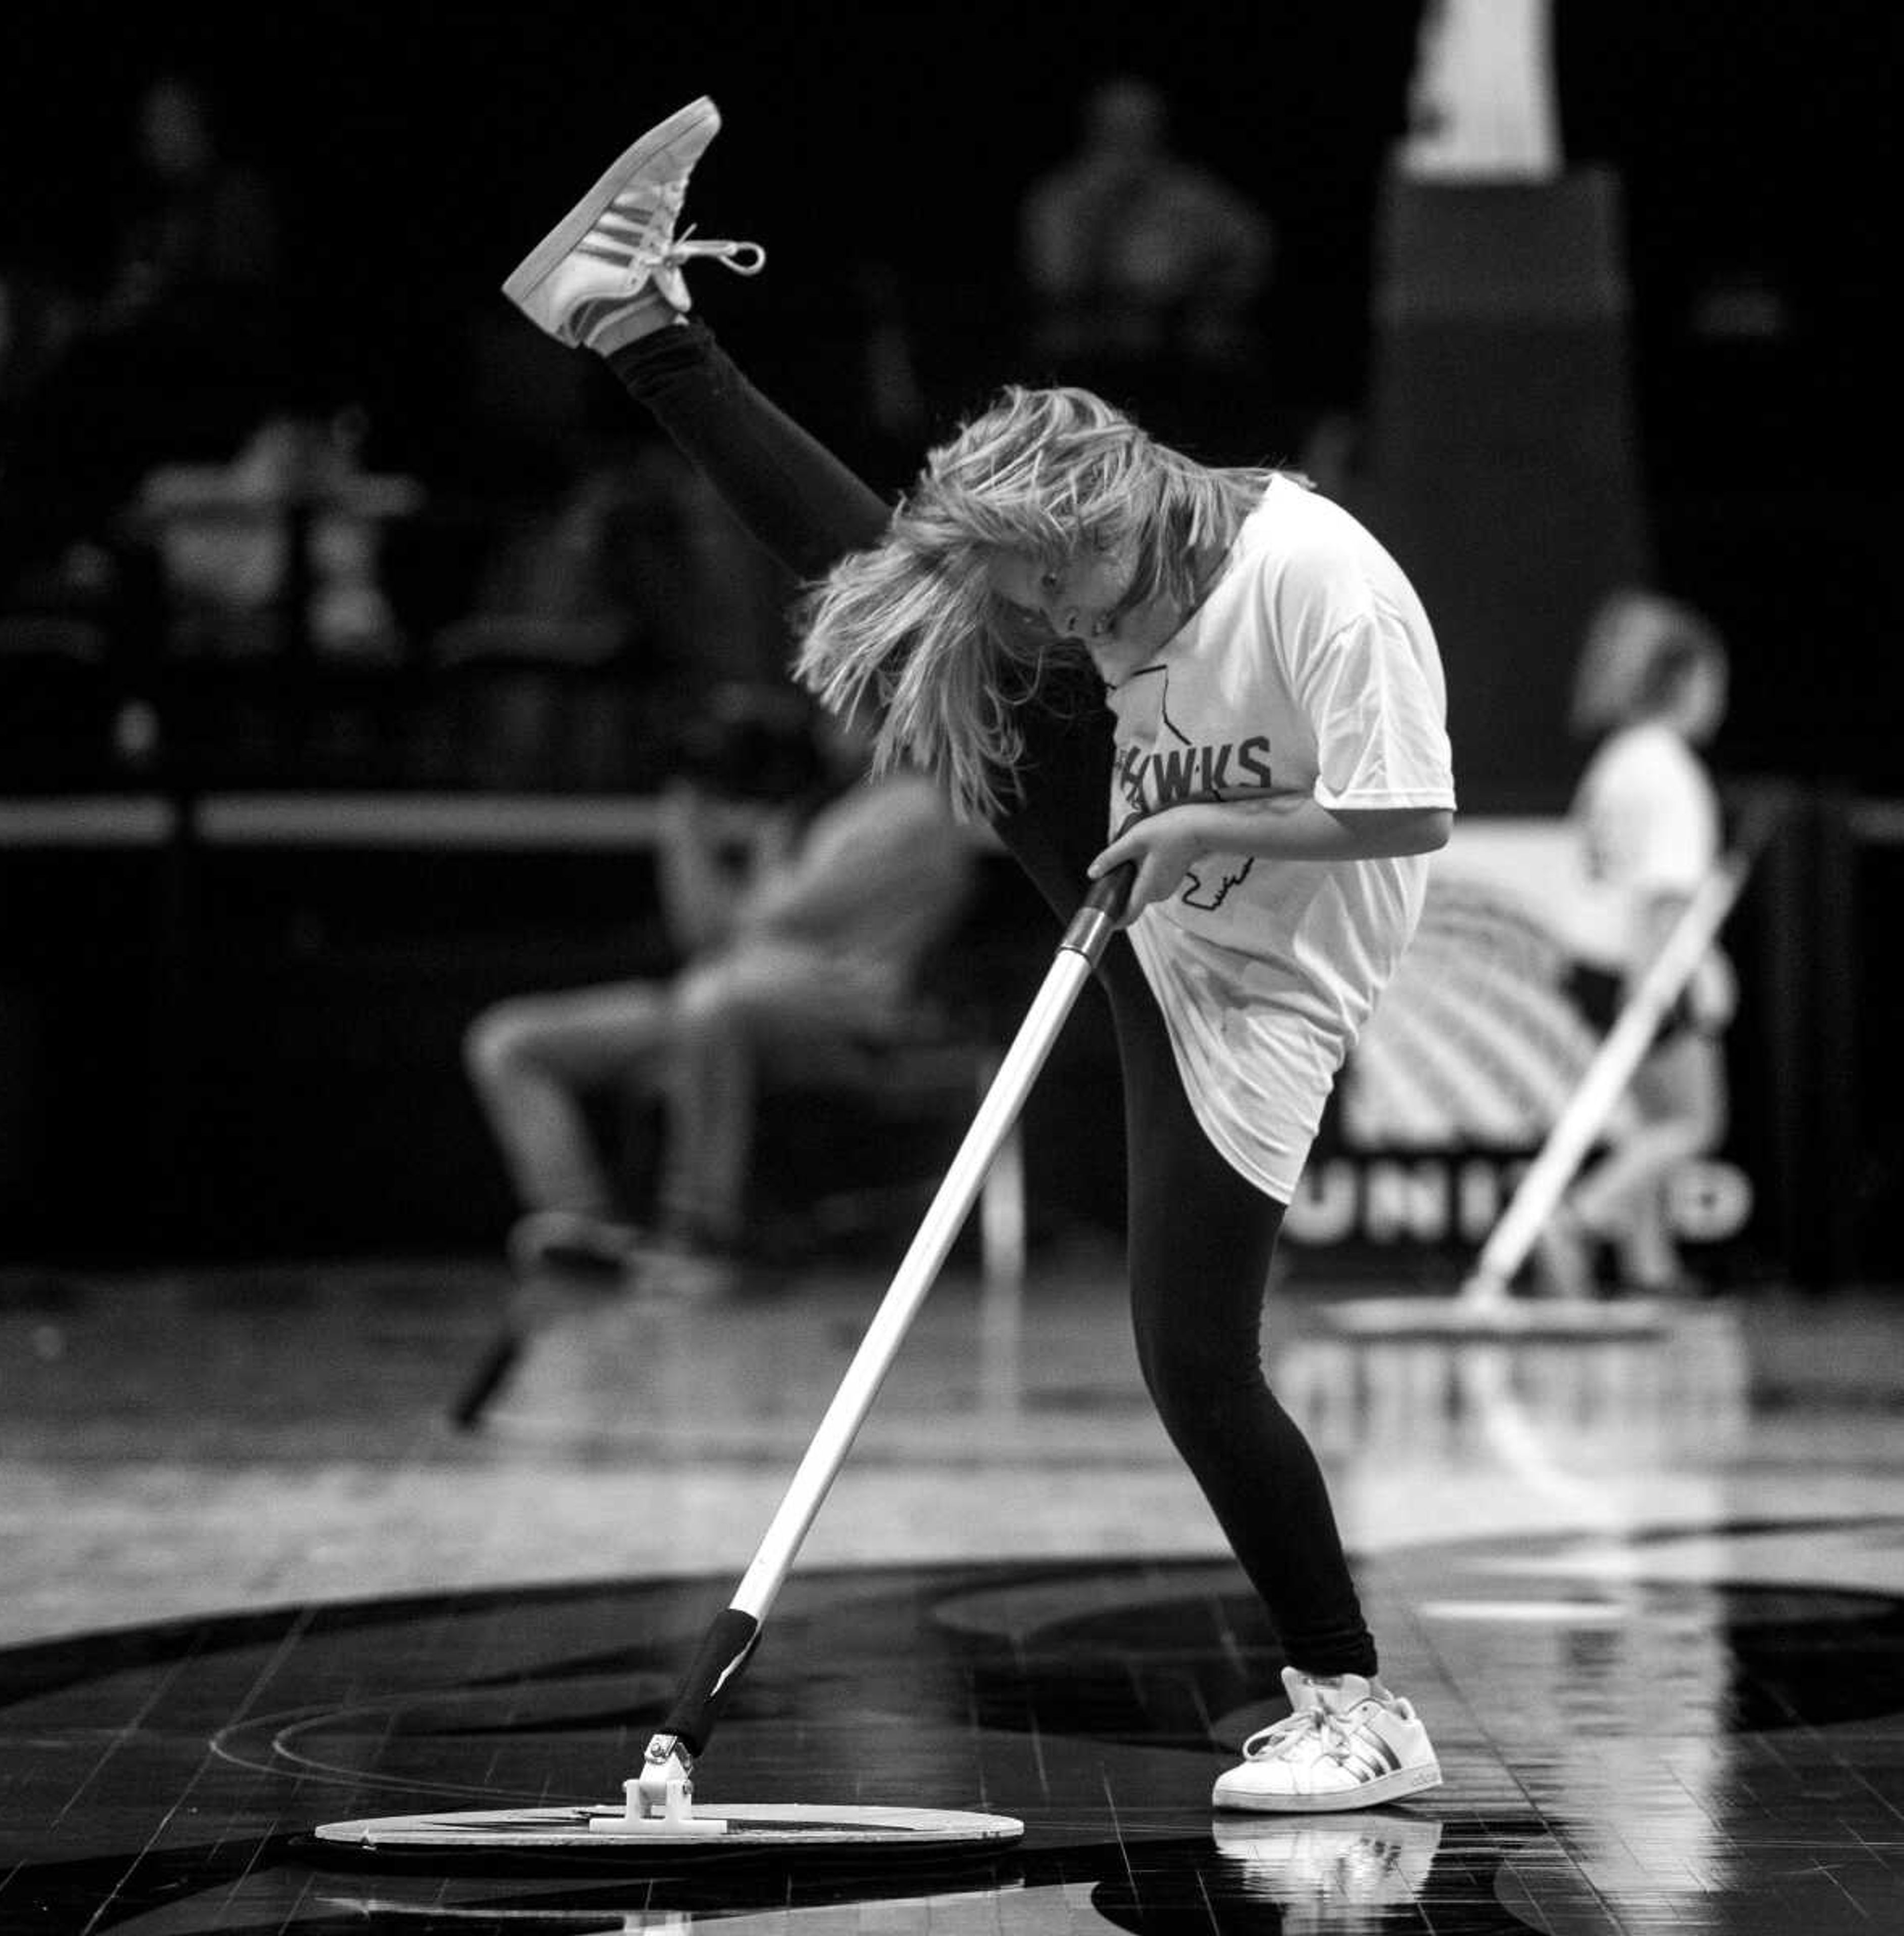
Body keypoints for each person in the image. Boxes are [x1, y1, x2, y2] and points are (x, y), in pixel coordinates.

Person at [500, 98, 1456, 1811]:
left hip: (1253, 978)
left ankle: (1362, 1712)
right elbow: (978, 591)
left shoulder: (1324, 581)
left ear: (1136, 519)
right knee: (894, 588)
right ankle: (631, 317)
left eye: (1073, 594)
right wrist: (1134, 803)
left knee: (1196, 1362)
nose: (1068, 630)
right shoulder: (1081, 581)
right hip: (1149, 888)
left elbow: (1408, 821)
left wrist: (1192, 832)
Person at [465, 687, 976, 1297]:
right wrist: (685, 819)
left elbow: (768, 917)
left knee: (714, 1001)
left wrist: (754, 844)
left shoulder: (913, 808)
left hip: (846, 1010)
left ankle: (700, 1232)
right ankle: (582, 1223)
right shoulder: (803, 814)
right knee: (512, 1040)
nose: (828, 728)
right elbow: (704, 933)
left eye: (845, 714)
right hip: (721, 998)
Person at [1536, 590, 1734, 1298]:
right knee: (1692, 1123)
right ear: (1683, 682)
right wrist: (1657, 990)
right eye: (1715, 682)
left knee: (1650, 1123)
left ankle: (1653, 1270)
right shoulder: (1669, 769)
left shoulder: (1619, 759)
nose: (1719, 700)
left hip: (1591, 963)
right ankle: (1577, 1222)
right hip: (1639, 967)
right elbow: (1664, 897)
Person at [1018, 76, 1274, 462]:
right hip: (1086, 364)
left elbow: (1252, 247)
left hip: (1180, 361)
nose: (1131, 142)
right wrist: (1104, 213)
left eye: (1142, 129)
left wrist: (1213, 301)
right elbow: (1055, 281)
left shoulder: (1192, 195)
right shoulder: (1062, 198)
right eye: (1117, 130)